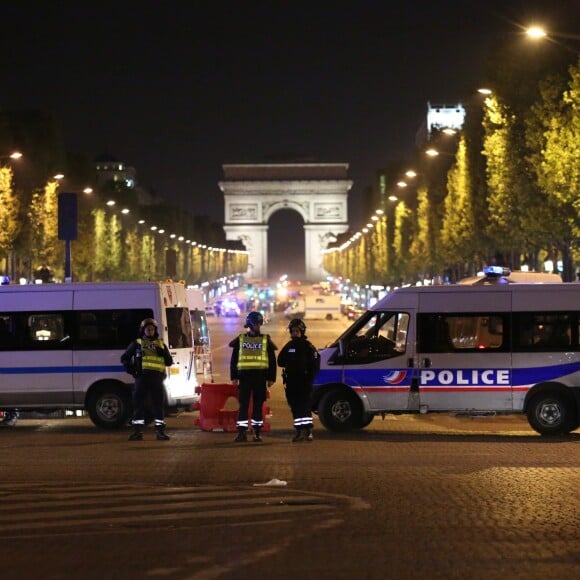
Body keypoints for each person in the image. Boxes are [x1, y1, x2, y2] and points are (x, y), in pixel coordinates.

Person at [121, 318, 174, 441]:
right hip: (142, 379)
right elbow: (125, 358)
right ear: (143, 330)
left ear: (155, 330)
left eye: (152, 329)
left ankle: (160, 432)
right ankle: (137, 432)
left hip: (156, 379)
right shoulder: (137, 343)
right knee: (138, 405)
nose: (150, 331)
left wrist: (164, 354)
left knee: (158, 406)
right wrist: (131, 369)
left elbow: (169, 362)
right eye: (147, 329)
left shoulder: (161, 344)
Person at [229, 311, 277, 443]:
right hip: (244, 378)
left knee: (258, 405)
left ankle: (256, 432)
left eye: (260, 323)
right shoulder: (241, 339)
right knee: (243, 405)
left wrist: (271, 378)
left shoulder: (265, 339)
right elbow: (234, 360)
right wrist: (234, 377)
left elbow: (272, 360)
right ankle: (242, 433)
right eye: (257, 324)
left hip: (260, 378)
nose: (259, 326)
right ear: (250, 324)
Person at [277, 318, 320, 442]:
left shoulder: (308, 346)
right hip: (291, 381)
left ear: (302, 331)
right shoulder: (289, 346)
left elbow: (317, 361)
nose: (295, 333)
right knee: (295, 406)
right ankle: (299, 431)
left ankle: (308, 431)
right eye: (293, 331)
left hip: (304, 381)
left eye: (297, 330)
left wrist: (310, 377)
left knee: (305, 406)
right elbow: (280, 361)